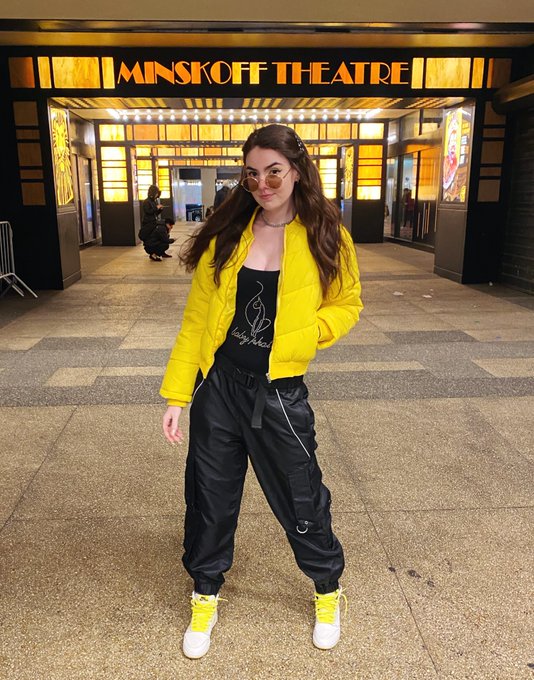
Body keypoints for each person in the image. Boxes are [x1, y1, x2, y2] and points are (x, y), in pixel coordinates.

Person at [160, 124, 363, 659]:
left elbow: (347, 303)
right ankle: (205, 593)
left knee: (301, 495)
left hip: (279, 395)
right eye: (252, 174)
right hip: (220, 388)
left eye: (274, 171)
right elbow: (196, 320)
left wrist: (307, 334)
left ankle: (327, 589)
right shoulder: (231, 234)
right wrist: (179, 395)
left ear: (296, 170)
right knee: (209, 497)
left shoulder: (326, 234)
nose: (263, 184)